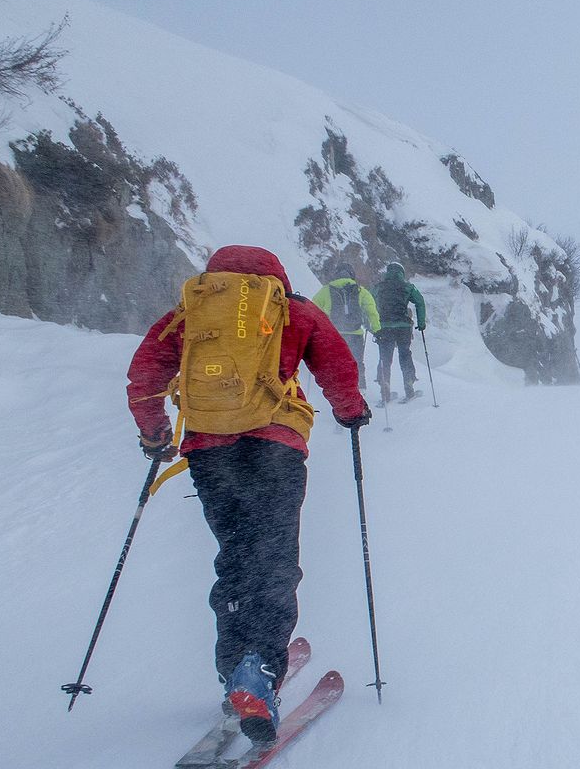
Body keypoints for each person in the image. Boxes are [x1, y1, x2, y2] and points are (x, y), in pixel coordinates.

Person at [126, 244, 371, 742]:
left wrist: (155, 435)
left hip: (210, 452)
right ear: (275, 274)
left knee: (236, 556)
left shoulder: (192, 311)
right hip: (275, 448)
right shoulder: (291, 308)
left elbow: (145, 374)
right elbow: (337, 366)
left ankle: (235, 665)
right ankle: (259, 672)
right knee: (275, 559)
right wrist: (350, 411)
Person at [310, 261, 380, 389]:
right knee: (357, 362)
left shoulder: (326, 290)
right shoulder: (360, 291)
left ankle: (338, 391)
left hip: (335, 334)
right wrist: (377, 329)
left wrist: (314, 331)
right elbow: (371, 311)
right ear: (351, 275)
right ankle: (360, 389)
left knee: (336, 363)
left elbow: (313, 310)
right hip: (356, 334)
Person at [371, 260, 426, 406]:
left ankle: (385, 390)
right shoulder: (408, 287)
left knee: (385, 357)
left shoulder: (379, 287)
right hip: (403, 327)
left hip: (384, 326)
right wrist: (421, 323)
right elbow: (420, 302)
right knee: (405, 355)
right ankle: (409, 386)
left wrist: (373, 324)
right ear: (401, 273)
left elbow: (370, 302)